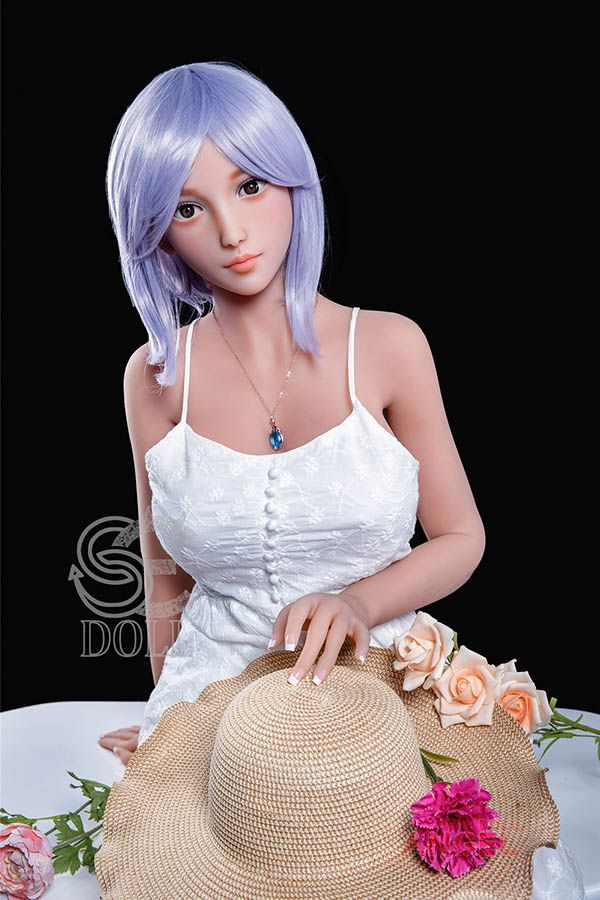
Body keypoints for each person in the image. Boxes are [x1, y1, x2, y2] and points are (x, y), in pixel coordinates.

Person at [97, 61, 585, 898]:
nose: (231, 231)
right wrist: (170, 725)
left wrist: (359, 602)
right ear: (155, 233)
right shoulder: (154, 379)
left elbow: (462, 536)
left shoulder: (389, 346)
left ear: (293, 182)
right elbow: (162, 571)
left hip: (376, 692)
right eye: (187, 207)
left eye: (250, 185)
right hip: (222, 718)